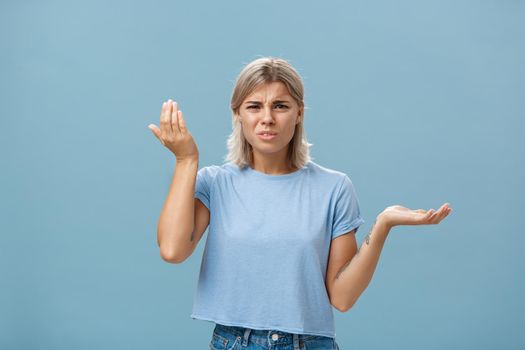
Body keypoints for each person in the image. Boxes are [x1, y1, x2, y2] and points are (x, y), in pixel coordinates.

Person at [148, 57, 452, 350]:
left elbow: (342, 298)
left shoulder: (334, 188)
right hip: (232, 343)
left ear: (299, 113)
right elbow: (173, 251)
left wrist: (383, 224)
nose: (267, 118)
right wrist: (186, 159)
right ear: (238, 113)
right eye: (254, 106)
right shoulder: (215, 183)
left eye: (280, 106)